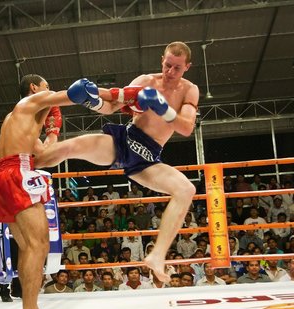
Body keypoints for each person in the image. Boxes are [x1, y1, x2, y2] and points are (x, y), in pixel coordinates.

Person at [35, 41, 199, 282]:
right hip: (125, 141)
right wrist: (92, 96)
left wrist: (163, 108)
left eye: (176, 68)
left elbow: (186, 128)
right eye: (167, 65)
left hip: (148, 159)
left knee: (186, 189)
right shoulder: (146, 81)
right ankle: (27, 163)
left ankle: (157, 256)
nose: (170, 72)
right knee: (72, 146)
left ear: (187, 67)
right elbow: (113, 104)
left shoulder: (189, 90)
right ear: (161, 60)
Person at [0, 74, 103, 309]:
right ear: (34, 88)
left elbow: (42, 156)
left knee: (31, 247)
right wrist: (102, 96)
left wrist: (53, 131)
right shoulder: (32, 101)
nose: (48, 90)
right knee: (38, 245)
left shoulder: (21, 119)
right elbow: (73, 93)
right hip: (17, 174)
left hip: (8, 174)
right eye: (45, 86)